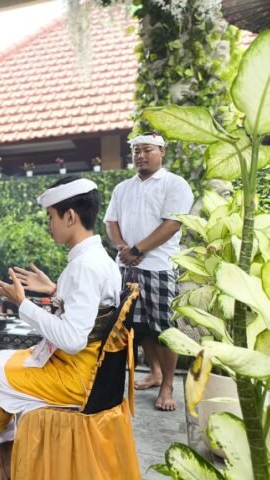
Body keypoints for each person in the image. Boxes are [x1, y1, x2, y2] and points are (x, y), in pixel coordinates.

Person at [0, 176, 122, 480]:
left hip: (74, 375)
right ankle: (6, 459)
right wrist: (55, 290)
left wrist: (22, 303)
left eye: (50, 217)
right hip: (85, 367)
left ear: (70, 216)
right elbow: (90, 311)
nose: (48, 225)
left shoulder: (84, 267)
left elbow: (73, 339)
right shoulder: (100, 259)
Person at [104, 132, 194, 411]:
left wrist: (138, 249)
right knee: (138, 326)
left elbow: (172, 224)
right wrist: (122, 247)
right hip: (126, 267)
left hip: (159, 267)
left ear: (162, 151)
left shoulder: (175, 184)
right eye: (136, 151)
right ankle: (154, 373)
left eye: (147, 150)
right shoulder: (122, 188)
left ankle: (167, 386)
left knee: (164, 329)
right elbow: (111, 222)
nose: (140, 156)